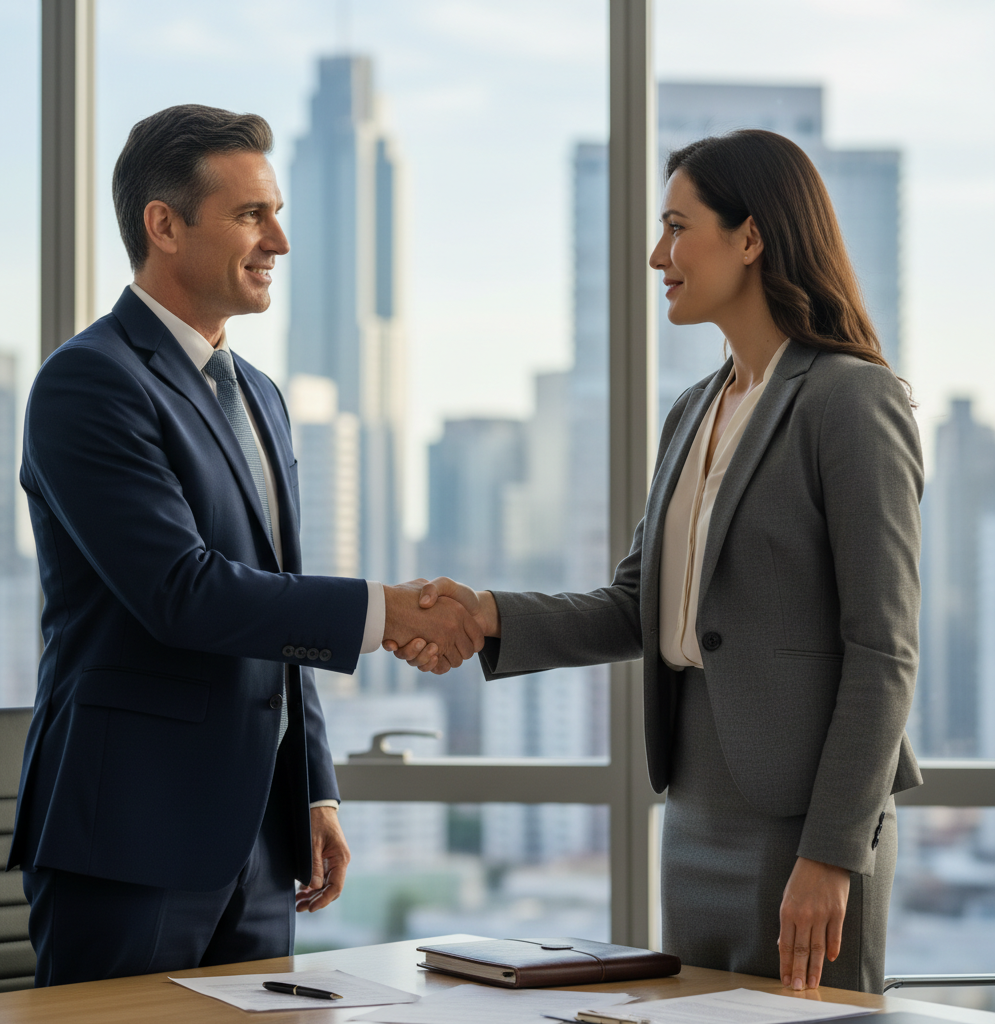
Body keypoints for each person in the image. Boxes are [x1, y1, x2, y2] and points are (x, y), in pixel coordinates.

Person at [388, 129, 923, 994]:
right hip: (696, 806)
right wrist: (488, 614)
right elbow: (638, 602)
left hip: (808, 819)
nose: (656, 255)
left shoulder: (851, 400)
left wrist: (830, 854)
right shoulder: (693, 409)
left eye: (678, 227)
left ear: (751, 239)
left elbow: (884, 649)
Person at [9, 104, 482, 986]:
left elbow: (276, 602)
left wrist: (312, 787)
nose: (281, 242)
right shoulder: (88, 383)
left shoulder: (259, 394)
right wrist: (386, 613)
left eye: (278, 213)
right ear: (164, 225)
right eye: (252, 215)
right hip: (130, 839)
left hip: (264, 846)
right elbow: (184, 593)